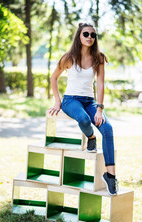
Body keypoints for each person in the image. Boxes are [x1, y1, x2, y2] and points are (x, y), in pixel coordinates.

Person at [49, 23, 118, 195]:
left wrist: (100, 109)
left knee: (108, 129)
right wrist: (57, 101)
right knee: (84, 120)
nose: (89, 37)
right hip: (71, 100)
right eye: (86, 34)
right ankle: (91, 137)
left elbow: (101, 85)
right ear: (79, 36)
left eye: (93, 35)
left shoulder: (99, 57)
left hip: (90, 102)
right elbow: (54, 78)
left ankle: (110, 175)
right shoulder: (69, 57)